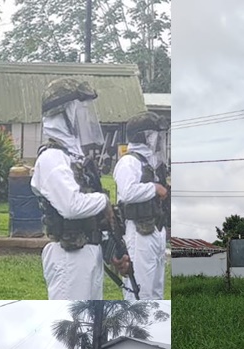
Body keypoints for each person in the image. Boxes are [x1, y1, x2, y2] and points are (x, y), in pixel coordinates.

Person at [32, 78, 130, 299]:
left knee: (89, 325)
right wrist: (102, 200)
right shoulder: (52, 158)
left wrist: (111, 252)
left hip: (88, 254)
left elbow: (91, 219)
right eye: (80, 110)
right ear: (63, 114)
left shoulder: (74, 159)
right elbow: (71, 206)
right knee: (72, 324)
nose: (85, 118)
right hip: (69, 258)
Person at [113, 112, 170, 300]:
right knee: (139, 287)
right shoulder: (129, 162)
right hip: (138, 232)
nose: (158, 140)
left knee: (156, 289)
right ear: (143, 136)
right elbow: (127, 192)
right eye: (155, 135)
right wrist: (154, 188)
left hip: (156, 229)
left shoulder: (154, 163)